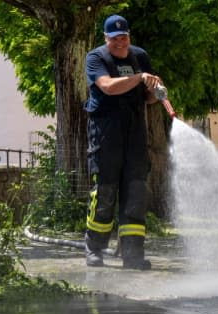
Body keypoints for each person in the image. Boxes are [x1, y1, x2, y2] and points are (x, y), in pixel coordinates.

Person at [83, 14, 163, 270]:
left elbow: (148, 99)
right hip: (106, 136)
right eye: (115, 38)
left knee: (136, 195)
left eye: (124, 36)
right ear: (106, 38)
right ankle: (94, 250)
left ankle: (133, 254)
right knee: (104, 193)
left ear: (129, 36)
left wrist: (157, 90)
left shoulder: (140, 56)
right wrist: (140, 78)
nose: (120, 42)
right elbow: (107, 86)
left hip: (135, 135)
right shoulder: (96, 59)